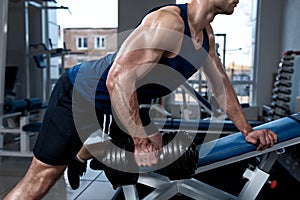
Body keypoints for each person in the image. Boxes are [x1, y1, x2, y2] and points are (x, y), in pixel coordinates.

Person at [4, 0, 278, 199]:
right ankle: (75, 155)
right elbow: (118, 80)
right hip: (81, 93)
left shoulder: (206, 35)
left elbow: (221, 86)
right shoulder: (168, 22)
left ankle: (80, 155)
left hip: (119, 100)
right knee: (42, 178)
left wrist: (247, 130)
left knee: (147, 146)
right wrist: (139, 139)